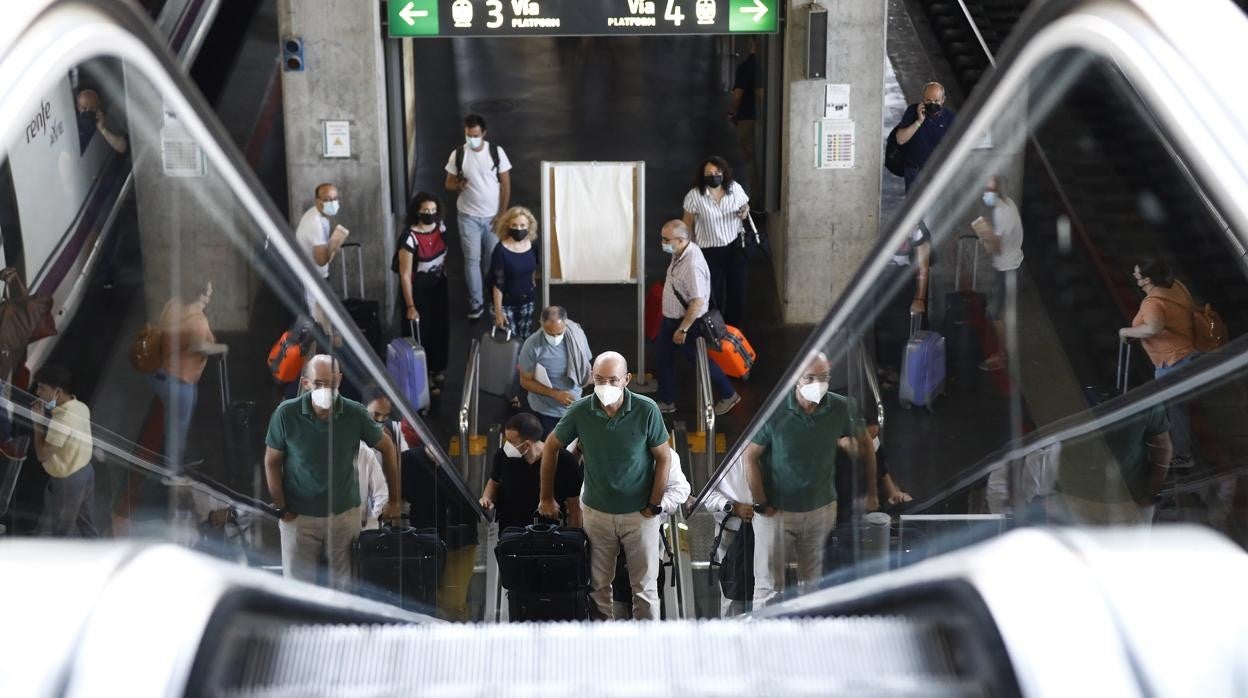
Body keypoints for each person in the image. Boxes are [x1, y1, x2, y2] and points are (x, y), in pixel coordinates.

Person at [538, 351, 671, 620]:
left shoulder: (646, 410)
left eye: (612, 380)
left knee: (644, 589)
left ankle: (648, 648)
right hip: (597, 514)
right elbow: (551, 446)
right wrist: (546, 496)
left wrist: (653, 505)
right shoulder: (581, 410)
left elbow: (664, 457)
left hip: (639, 515)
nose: (605, 387)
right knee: (597, 587)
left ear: (626, 380)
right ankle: (601, 647)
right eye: (599, 380)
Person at [744, 353, 878, 604]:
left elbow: (867, 445)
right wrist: (761, 503)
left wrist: (872, 493)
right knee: (768, 587)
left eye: (824, 377)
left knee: (813, 586)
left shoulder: (841, 407)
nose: (819, 384)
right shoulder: (775, 410)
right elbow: (750, 456)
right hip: (777, 513)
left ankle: (806, 636)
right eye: (810, 378)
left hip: (821, 510)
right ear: (796, 379)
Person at [264, 355, 400, 589]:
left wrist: (395, 501)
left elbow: (388, 448)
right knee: (299, 591)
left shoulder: (354, 413)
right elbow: (271, 462)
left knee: (344, 592)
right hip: (299, 518)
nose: (326, 390)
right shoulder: (286, 414)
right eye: (319, 384)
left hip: (343, 518)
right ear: (306, 383)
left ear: (340, 380)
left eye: (331, 384)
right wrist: (281, 507)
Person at [1119, 258, 1200, 468]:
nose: (1135, 278)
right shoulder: (1177, 286)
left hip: (1172, 361)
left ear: (1146, 280)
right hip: (1189, 353)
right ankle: (1173, 449)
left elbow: (1153, 328)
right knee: (1175, 407)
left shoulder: (1153, 302)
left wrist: (1126, 331)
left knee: (1174, 408)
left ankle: (1182, 456)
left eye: (1137, 276)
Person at [655, 219, 740, 416]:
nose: (663, 243)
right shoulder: (680, 253)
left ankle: (729, 394)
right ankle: (667, 400)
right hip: (671, 321)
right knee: (663, 357)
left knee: (700, 362)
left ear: (680, 239)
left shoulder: (692, 265)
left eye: (666, 239)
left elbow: (697, 302)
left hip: (687, 324)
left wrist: (683, 329)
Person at [149, 277, 227, 470]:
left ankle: (172, 455)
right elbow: (199, 346)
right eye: (208, 292)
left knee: (172, 417)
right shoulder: (197, 321)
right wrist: (221, 347)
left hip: (158, 373)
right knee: (179, 425)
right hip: (179, 381)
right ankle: (173, 471)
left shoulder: (174, 304)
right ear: (201, 296)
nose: (210, 295)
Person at [445, 114, 513, 320]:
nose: (471, 139)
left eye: (475, 135)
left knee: (492, 262)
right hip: (468, 217)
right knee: (472, 260)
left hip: (493, 217)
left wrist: (502, 214)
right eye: (468, 135)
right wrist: (458, 185)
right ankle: (476, 302)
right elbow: (448, 183)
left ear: (483, 133)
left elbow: (505, 185)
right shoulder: (458, 154)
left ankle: (494, 301)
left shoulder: (496, 153)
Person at [1057, 404, 1172, 525]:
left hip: (1132, 501)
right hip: (1079, 503)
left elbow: (1162, 446)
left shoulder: (1143, 398)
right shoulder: (1066, 394)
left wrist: (1152, 491)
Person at [480, 412, 583, 529]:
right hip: (511, 532)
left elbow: (575, 507)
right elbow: (493, 482)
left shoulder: (565, 461)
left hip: (549, 534)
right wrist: (487, 498)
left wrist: (574, 539)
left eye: (511, 442)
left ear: (527, 445)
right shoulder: (502, 455)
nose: (506, 445)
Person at [682, 156, 750, 327]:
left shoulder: (735, 189)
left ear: (724, 173)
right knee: (712, 293)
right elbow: (687, 224)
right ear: (702, 175)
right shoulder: (695, 196)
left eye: (717, 172)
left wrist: (744, 212)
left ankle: (734, 328)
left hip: (734, 246)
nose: (713, 176)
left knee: (737, 291)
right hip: (709, 251)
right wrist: (686, 251)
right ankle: (715, 329)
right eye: (709, 173)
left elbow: (746, 206)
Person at [32, 365, 97, 537]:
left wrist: (37, 423)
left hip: (69, 480)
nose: (37, 392)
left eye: (42, 388)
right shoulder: (80, 406)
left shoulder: (62, 420)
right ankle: (96, 550)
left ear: (57, 392)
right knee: (86, 522)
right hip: (86, 470)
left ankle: (60, 559)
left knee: (62, 529)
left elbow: (42, 455)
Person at [396, 191, 450, 398]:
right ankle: (422, 374)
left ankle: (437, 368)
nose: (430, 214)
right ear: (417, 211)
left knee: (440, 329)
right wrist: (411, 306)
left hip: (438, 286)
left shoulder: (440, 228)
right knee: (421, 333)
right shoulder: (409, 238)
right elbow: (405, 274)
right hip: (418, 291)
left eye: (433, 210)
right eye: (425, 211)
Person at [489, 205, 540, 408]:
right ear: (507, 226)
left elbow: (532, 267)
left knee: (525, 346)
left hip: (526, 301)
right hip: (507, 304)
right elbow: (497, 283)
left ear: (529, 226)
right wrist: (499, 311)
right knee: (511, 350)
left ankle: (524, 383)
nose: (519, 228)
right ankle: (511, 392)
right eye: (515, 225)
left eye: (522, 225)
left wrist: (531, 282)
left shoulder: (531, 245)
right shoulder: (500, 251)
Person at [973, 175, 1024, 372]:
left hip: (1007, 269)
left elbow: (997, 247)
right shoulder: (1008, 203)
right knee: (999, 313)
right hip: (1011, 266)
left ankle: (1002, 356)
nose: (987, 194)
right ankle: (1004, 353)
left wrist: (985, 234)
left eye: (990, 190)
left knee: (995, 313)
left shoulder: (1003, 212)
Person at [874, 221, 932, 387]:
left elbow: (923, 268)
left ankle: (902, 373)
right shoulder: (882, 219)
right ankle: (886, 369)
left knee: (902, 328)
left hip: (903, 280)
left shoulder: (917, 229)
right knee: (882, 326)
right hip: (883, 279)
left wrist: (919, 299)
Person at [518, 306, 592, 436]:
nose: (555, 337)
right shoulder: (531, 346)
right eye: (550, 334)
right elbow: (525, 381)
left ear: (565, 324)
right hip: (546, 412)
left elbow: (585, 364)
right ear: (541, 323)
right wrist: (555, 394)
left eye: (559, 333)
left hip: (574, 409)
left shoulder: (576, 335)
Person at [700, 456, 757, 616]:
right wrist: (733, 507)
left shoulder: (776, 452)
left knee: (766, 589)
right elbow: (707, 496)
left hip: (767, 533)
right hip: (732, 537)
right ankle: (733, 638)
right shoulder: (732, 456)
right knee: (733, 596)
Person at [295, 183, 350, 329]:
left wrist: (331, 246)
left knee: (324, 323)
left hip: (319, 277)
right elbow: (320, 260)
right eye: (327, 199)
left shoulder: (321, 216)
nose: (332, 203)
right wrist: (332, 246)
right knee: (313, 325)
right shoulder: (314, 223)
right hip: (310, 280)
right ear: (317, 201)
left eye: (335, 198)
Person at [893, 81, 956, 191]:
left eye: (936, 101)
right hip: (915, 173)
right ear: (923, 99)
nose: (932, 104)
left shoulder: (950, 118)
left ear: (943, 100)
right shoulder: (912, 111)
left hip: (938, 173)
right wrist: (919, 121)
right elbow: (900, 140)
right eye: (928, 100)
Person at [728, 39, 763, 203]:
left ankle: (757, 200)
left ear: (752, 44)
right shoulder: (771, 66)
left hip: (747, 118)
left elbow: (737, 95)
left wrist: (732, 113)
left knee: (750, 159)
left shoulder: (746, 66)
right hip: (767, 121)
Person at [75, 88, 128, 154]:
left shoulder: (104, 120)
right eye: (84, 108)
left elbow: (122, 148)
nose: (88, 112)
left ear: (97, 106)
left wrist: (102, 128)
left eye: (91, 108)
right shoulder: (73, 125)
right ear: (78, 107)